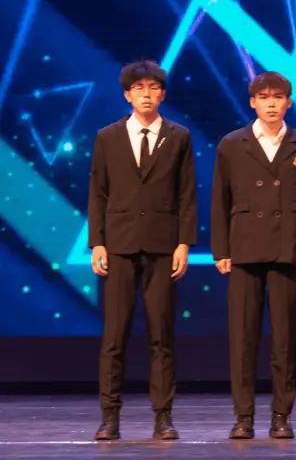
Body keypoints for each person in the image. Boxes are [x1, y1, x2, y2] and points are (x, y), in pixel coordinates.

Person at [88, 60, 197, 441]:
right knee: (114, 337)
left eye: (153, 88)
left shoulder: (179, 136)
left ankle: (163, 417)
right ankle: (109, 418)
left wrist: (183, 243)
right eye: (139, 88)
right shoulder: (108, 137)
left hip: (162, 246)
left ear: (162, 94)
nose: (146, 94)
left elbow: (187, 194)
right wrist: (97, 242)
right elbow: (98, 192)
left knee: (161, 336)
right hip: (118, 246)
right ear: (127, 95)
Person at [211, 71, 296, 440]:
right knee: (243, 339)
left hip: (288, 248)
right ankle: (243, 416)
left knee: (285, 340)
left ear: (288, 103)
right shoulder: (232, 144)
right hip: (244, 248)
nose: (271, 103)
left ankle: (281, 415)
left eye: (278, 97)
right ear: (252, 102)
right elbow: (219, 200)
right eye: (264, 97)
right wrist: (221, 248)